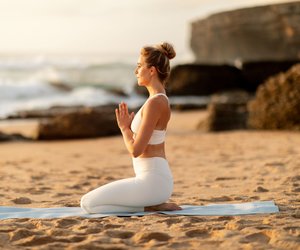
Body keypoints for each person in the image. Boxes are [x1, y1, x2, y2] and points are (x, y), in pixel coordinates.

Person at [80, 42, 181, 213]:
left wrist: (124, 129)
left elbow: (136, 150)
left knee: (88, 203)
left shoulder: (156, 103)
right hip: (153, 180)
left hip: (153, 182)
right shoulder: (157, 100)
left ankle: (150, 206)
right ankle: (150, 205)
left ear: (152, 70)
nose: (136, 71)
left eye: (140, 66)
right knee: (87, 203)